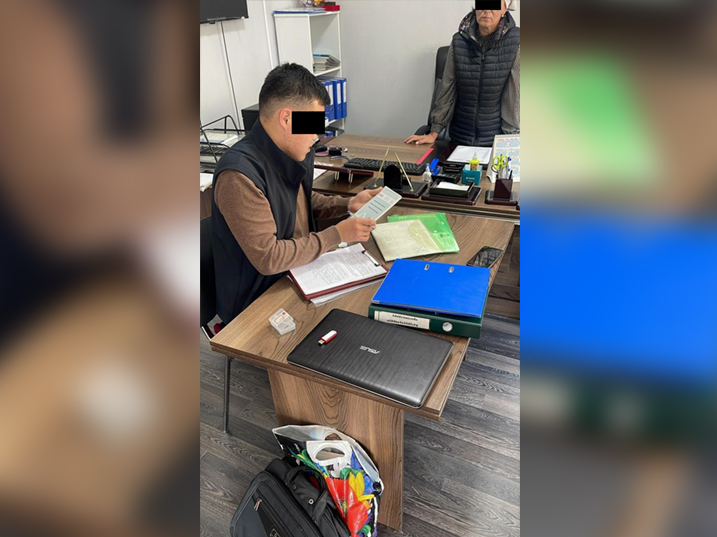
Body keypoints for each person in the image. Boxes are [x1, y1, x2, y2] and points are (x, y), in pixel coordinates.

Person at [211, 63, 381, 324]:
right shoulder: (239, 176)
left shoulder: (289, 151)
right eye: (312, 125)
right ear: (286, 119)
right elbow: (269, 258)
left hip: (298, 271)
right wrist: (336, 235)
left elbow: (300, 200)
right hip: (257, 299)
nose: (316, 136)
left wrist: (348, 204)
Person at [405, 2, 520, 147]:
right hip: (460, 138)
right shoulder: (459, 41)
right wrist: (433, 133)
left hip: (496, 141)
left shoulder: (516, 42)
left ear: (504, 9)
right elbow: (447, 87)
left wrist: (512, 140)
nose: (486, 10)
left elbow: (514, 96)